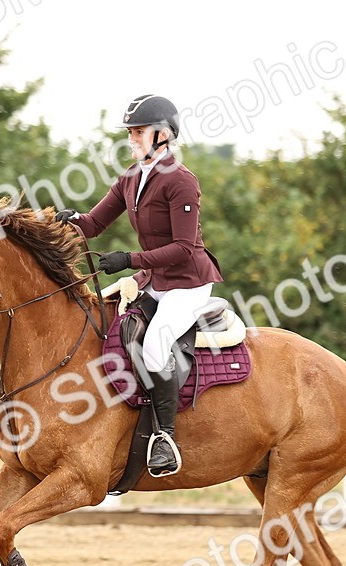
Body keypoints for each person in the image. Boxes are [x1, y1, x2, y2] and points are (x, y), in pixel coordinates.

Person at [57, 94, 223, 478]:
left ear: (163, 135)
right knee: (115, 329)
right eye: (130, 132)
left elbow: (183, 249)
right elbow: (93, 225)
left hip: (188, 284)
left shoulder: (181, 181)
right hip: (155, 281)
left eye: (138, 132)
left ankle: (165, 437)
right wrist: (67, 221)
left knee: (153, 347)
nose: (132, 139)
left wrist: (129, 261)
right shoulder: (131, 179)